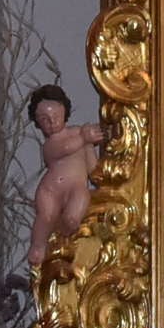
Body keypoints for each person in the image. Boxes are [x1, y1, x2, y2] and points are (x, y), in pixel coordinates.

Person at [27, 83, 106, 274]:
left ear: (65, 111)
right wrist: (84, 139)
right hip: (50, 191)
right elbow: (63, 149)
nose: (51, 122)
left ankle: (64, 238)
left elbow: (92, 167)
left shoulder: (79, 133)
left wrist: (100, 174)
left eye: (55, 115)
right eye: (44, 119)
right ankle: (38, 246)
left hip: (76, 188)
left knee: (73, 217)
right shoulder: (50, 144)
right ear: (37, 123)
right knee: (45, 217)